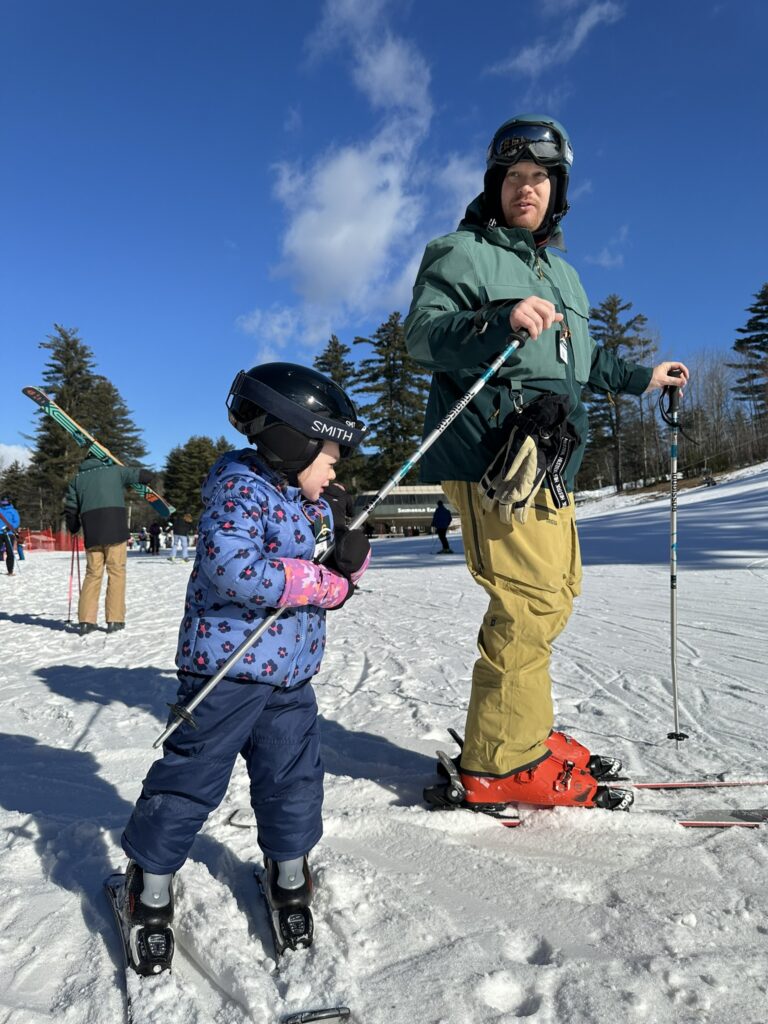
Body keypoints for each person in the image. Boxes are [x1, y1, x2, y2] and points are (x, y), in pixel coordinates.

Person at [405, 114, 689, 812]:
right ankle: (500, 761)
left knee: (556, 592)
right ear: (494, 186)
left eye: (539, 178)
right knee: (527, 600)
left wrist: (644, 378)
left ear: (556, 192)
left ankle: (523, 731)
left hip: (552, 450)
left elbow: (586, 363)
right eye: (513, 177)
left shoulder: (563, 273)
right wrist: (497, 321)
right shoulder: (460, 252)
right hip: (494, 451)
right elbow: (422, 336)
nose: (525, 188)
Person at [117, 362, 370, 975]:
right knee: (191, 779)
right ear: (292, 441)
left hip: (290, 678)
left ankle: (288, 876)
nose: (336, 465)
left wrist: (351, 553)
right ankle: (147, 888)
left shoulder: (307, 501)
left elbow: (334, 574)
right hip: (225, 674)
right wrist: (316, 581)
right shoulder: (240, 486)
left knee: (294, 780)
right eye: (329, 451)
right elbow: (230, 567)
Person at [64, 459, 154, 635]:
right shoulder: (115, 471)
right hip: (115, 530)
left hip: (92, 533)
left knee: (92, 574)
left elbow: (70, 510)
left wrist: (74, 528)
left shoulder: (77, 479)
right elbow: (146, 476)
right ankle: (115, 620)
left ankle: (86, 621)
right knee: (116, 573)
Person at [0, 496, 20, 576]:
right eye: (2, 502)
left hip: (9, 534)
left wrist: (10, 527)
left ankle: (10, 570)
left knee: (10, 552)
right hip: (0, 533)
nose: (4, 504)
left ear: (9, 502)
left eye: (5, 502)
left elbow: (16, 522)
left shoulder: (13, 511)